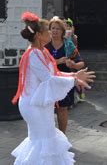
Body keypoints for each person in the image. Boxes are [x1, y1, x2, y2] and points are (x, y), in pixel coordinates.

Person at [11, 12, 95, 164]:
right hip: (33, 105)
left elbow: (55, 72)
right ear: (38, 35)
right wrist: (75, 80)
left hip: (39, 104)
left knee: (44, 139)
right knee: (43, 140)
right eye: (47, 30)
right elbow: (49, 79)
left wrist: (73, 76)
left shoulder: (41, 52)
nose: (51, 33)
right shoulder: (33, 54)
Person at [45, 17, 85, 134]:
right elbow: (41, 64)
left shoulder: (68, 45)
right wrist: (57, 61)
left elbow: (81, 63)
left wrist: (73, 64)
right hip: (48, 81)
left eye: (58, 29)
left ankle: (62, 135)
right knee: (48, 109)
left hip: (65, 81)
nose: (55, 31)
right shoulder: (45, 46)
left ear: (63, 31)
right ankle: (50, 135)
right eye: (53, 28)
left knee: (62, 109)